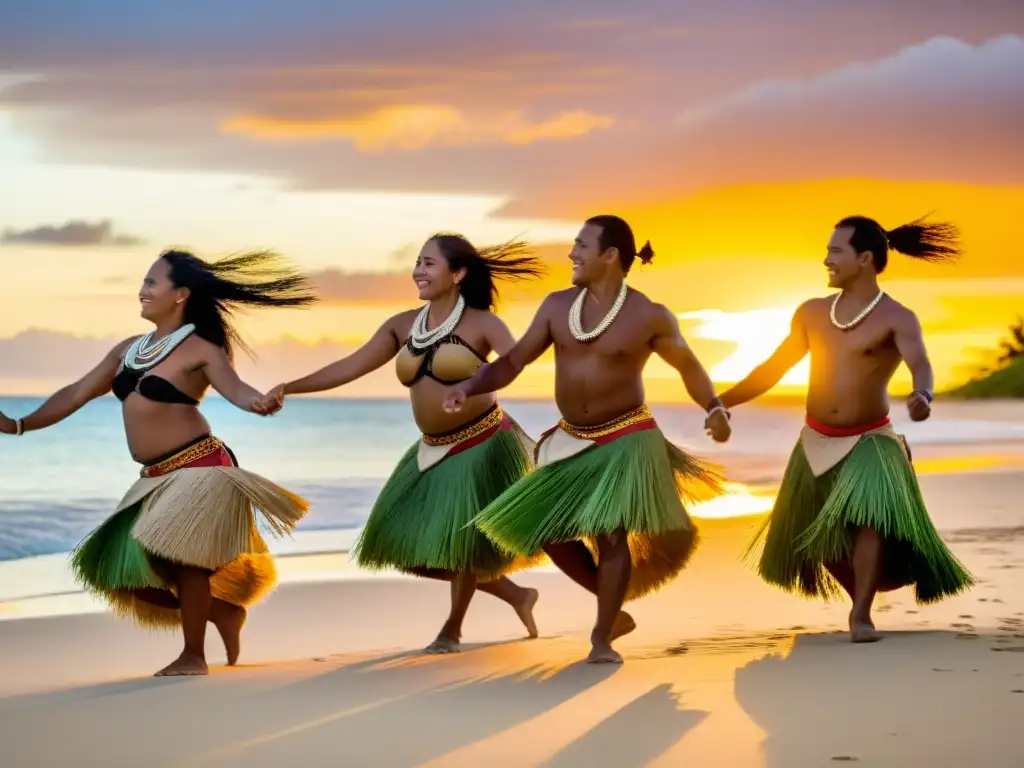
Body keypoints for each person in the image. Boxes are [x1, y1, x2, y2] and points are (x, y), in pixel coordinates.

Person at [0, 249, 316, 676]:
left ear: (181, 294)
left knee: (184, 559)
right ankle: (221, 611)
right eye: (144, 282)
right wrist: (18, 424)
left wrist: (259, 402)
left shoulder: (201, 350)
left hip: (201, 466)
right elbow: (75, 393)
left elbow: (238, 390)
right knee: (121, 571)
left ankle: (194, 656)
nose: (142, 291)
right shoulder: (129, 350)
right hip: (155, 476)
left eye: (152, 283)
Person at [443, 215, 731, 664]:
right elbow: (514, 361)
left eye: (581, 245)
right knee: (548, 529)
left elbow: (688, 366)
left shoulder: (649, 315)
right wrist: (470, 386)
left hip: (626, 436)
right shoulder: (558, 306)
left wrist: (713, 406)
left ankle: (601, 637)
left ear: (610, 255)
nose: (572, 254)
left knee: (610, 535)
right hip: (572, 436)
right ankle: (612, 609)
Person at [257, 234, 545, 654]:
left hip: (483, 443)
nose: (418, 271)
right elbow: (351, 365)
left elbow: (515, 362)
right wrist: (291, 386)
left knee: (462, 546)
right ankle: (516, 595)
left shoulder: (483, 323)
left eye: (429, 263)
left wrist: (474, 383)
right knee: (404, 548)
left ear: (458, 273)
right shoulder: (403, 324)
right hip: (432, 447)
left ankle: (452, 630)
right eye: (417, 262)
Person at [718, 215, 975, 642]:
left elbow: (921, 364)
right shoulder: (811, 314)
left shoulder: (897, 317)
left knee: (867, 520)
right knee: (809, 533)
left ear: (865, 259)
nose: (826, 260)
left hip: (872, 440)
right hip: (816, 439)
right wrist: (722, 401)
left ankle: (861, 614)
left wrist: (923, 395)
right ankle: (865, 587)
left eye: (835, 251)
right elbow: (772, 369)